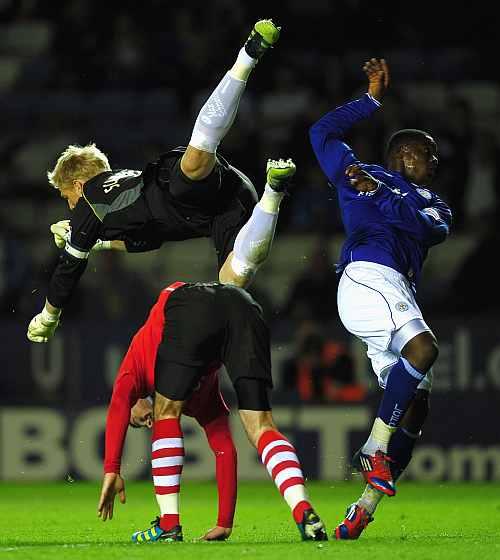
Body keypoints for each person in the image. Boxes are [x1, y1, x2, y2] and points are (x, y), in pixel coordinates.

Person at [27, 19, 294, 342]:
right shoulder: (113, 200)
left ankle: (248, 54)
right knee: (233, 280)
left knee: (196, 159)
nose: (69, 205)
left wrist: (49, 314)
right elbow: (147, 239)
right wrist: (97, 242)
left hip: (176, 192)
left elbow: (68, 269)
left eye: (66, 196)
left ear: (79, 185)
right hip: (222, 203)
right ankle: (273, 192)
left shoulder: (90, 201)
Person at [309, 58, 452, 539]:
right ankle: (372, 448)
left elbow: (431, 229)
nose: (435, 164)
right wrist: (368, 99)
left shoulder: (431, 200)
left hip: (396, 292)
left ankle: (364, 508)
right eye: (428, 155)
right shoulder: (358, 171)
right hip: (369, 277)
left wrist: (385, 196)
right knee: (424, 349)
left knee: (416, 405)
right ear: (405, 153)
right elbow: (321, 133)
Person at [98, 281, 327, 543]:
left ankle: (169, 525)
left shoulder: (135, 368)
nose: (143, 422)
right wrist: (224, 523)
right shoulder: (199, 396)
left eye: (135, 421)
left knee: (166, 414)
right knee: (261, 426)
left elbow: (118, 404)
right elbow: (225, 450)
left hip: (189, 304)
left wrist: (112, 469)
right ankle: (302, 508)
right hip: (244, 306)